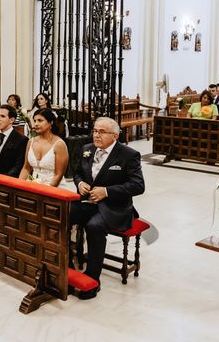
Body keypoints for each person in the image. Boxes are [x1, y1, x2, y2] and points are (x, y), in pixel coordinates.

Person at [70, 117, 145, 299]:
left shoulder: (128, 154)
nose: (96, 135)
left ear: (115, 136)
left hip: (114, 207)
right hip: (88, 202)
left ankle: (92, 280)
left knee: (94, 226)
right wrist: (80, 184)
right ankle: (67, 268)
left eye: (102, 132)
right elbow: (78, 172)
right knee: (62, 215)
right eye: (95, 130)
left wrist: (107, 191)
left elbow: (138, 186)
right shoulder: (87, 149)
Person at [19, 108, 68, 187]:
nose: (36, 124)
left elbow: (58, 174)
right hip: (33, 184)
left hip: (54, 187)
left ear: (51, 122)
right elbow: (26, 168)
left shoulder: (59, 144)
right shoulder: (31, 142)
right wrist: (19, 185)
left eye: (40, 120)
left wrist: (46, 192)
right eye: (34, 121)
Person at [0, 105, 28, 177]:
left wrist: (3, 179)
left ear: (12, 120)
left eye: (2, 116)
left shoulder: (21, 140)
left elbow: (18, 165)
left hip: (8, 181)